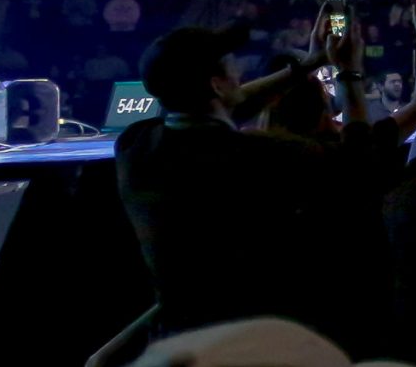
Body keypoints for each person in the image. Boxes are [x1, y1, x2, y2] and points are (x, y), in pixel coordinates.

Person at [116, 25, 363, 344]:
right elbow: (356, 159)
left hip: (179, 337)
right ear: (217, 85)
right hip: (256, 339)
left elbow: (230, 105)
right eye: (231, 65)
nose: (240, 71)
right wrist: (349, 73)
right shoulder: (257, 155)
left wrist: (308, 64)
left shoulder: (135, 146)